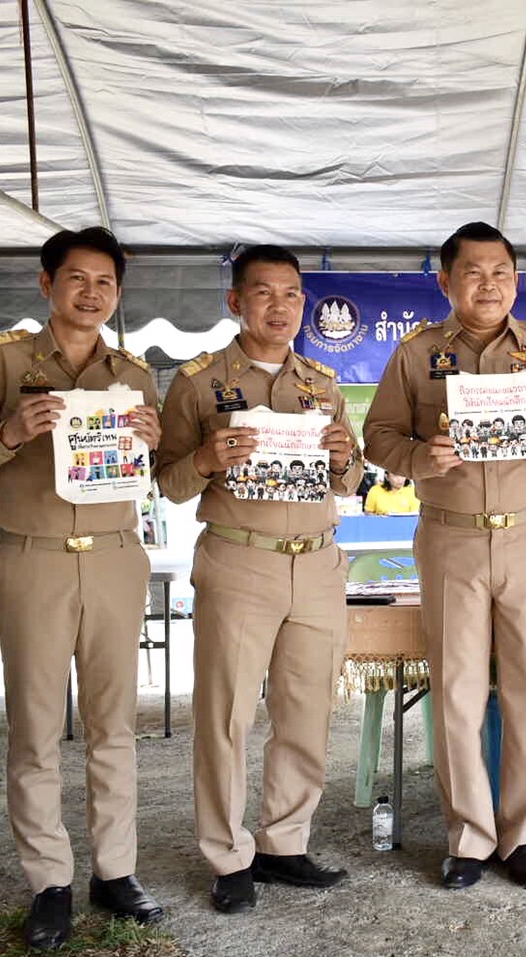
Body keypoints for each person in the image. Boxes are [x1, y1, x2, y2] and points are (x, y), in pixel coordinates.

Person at [0, 226, 164, 950]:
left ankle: (115, 872)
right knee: (35, 727)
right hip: (32, 556)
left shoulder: (134, 372)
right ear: (47, 284)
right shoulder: (5, 359)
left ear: (117, 293)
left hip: (115, 556)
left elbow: (150, 468)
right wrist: (9, 433)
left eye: (105, 282)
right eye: (77, 278)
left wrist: (153, 438)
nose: (91, 293)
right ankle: (49, 883)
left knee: (114, 724)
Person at [363, 221, 526, 890]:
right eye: (473, 271)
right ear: (446, 281)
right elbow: (377, 436)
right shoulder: (416, 353)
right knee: (457, 690)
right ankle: (468, 837)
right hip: (451, 535)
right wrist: (419, 457)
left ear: (516, 281)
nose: (488, 284)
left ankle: (522, 835)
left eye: (501, 272)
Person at [156, 244, 362, 915]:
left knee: (306, 711)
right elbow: (168, 482)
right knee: (226, 716)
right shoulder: (198, 383)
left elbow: (352, 479)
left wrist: (345, 456)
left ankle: (284, 843)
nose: (281, 306)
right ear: (236, 301)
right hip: (240, 559)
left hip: (319, 561)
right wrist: (205, 458)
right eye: (265, 293)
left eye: (292, 293)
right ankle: (227, 855)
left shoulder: (322, 383)